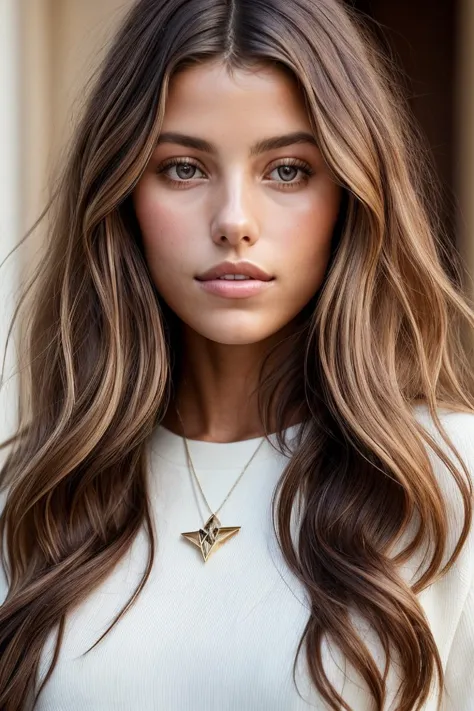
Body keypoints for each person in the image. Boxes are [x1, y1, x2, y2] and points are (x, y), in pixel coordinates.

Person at [0, 0, 473, 709]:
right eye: (184, 167)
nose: (234, 222)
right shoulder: (31, 498)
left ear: (351, 193)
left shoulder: (447, 483)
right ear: (122, 191)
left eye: (286, 171)